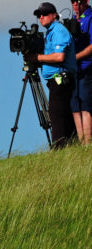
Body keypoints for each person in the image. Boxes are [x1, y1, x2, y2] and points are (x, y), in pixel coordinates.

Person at [25, 2, 77, 149]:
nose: (41, 17)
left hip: (60, 79)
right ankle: (70, 145)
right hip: (56, 79)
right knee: (62, 113)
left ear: (54, 15)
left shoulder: (59, 31)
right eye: (38, 15)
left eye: (45, 14)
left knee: (56, 114)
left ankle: (59, 148)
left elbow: (59, 57)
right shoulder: (51, 32)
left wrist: (37, 58)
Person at [70, 0, 92, 144]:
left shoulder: (90, 17)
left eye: (78, 1)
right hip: (73, 69)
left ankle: (88, 142)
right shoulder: (72, 19)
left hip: (87, 66)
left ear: (86, 1)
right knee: (75, 106)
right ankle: (81, 143)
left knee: (86, 105)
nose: (76, 5)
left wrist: (75, 57)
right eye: (73, 2)